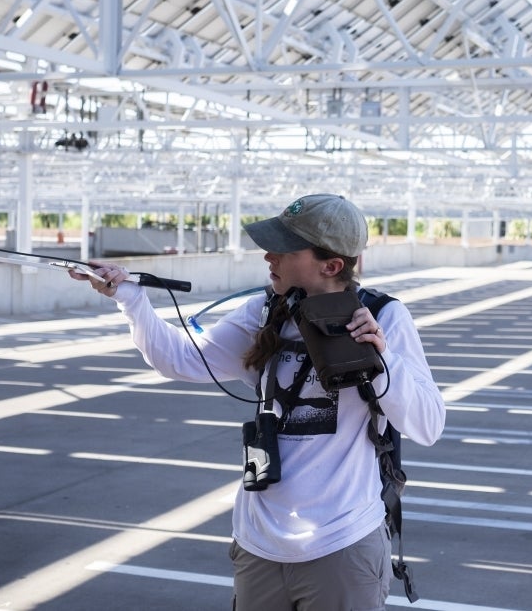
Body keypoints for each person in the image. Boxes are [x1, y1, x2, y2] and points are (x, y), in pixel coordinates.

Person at [71, 193, 446, 611]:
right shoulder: (263, 311)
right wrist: (130, 297)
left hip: (341, 545)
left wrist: (381, 362)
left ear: (332, 265)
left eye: (284, 248)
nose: (269, 255)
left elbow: (428, 426)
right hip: (258, 545)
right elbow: (181, 359)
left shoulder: (384, 317)